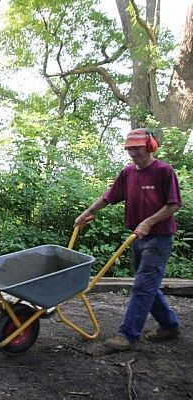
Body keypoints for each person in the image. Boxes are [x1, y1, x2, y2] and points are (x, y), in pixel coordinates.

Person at [74, 128, 182, 351]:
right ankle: (170, 326)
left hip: (158, 238)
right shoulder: (128, 173)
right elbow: (108, 197)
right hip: (138, 237)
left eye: (137, 148)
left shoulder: (164, 171)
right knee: (147, 284)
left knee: (142, 287)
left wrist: (149, 222)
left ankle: (127, 336)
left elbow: (173, 205)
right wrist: (87, 212)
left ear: (151, 146)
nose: (133, 153)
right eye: (129, 149)